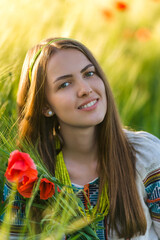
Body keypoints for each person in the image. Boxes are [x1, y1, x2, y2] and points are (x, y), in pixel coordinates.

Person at [1, 37, 160, 239]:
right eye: (65, 84)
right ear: (45, 106)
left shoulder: (147, 158)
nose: (85, 89)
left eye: (89, 73)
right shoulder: (28, 175)